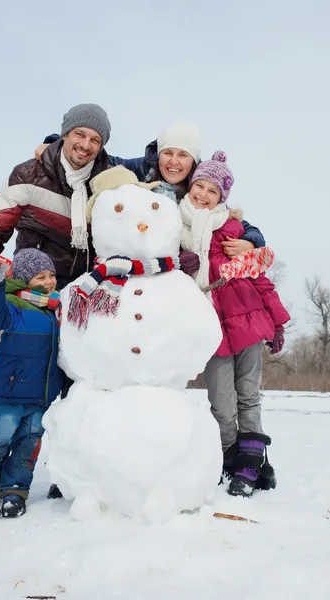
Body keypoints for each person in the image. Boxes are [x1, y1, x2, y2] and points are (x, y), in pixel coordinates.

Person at [179, 151, 290, 498]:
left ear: (222, 198)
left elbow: (260, 278)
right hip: (210, 327)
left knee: (248, 396)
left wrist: (278, 322)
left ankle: (250, 464)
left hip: (248, 322)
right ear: (190, 186)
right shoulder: (176, 228)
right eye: (200, 185)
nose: (204, 194)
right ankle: (228, 456)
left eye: (213, 190)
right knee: (222, 402)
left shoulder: (235, 231)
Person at [35, 122, 265, 258]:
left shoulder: (197, 190)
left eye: (183, 155)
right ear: (159, 154)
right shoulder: (139, 169)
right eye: (168, 153)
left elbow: (234, 222)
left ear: (193, 162)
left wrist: (251, 242)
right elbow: (99, 159)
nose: (174, 162)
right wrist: (56, 144)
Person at [0, 103, 112, 303]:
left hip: (85, 292)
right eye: (80, 134)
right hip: (34, 290)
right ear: (65, 134)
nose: (86, 145)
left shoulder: (108, 184)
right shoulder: (27, 176)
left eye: (95, 140)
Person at [0, 248, 63, 521]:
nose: (48, 281)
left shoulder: (56, 310)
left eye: (51, 275)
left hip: (41, 397)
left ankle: (15, 491)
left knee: (27, 446)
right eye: (40, 276)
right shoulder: (14, 305)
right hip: (10, 393)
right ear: (24, 280)